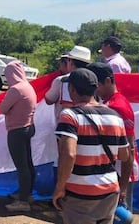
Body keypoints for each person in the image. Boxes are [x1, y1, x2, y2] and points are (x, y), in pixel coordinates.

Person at [52, 68, 129, 224]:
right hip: (109, 192)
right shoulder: (114, 116)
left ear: (71, 89)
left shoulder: (70, 116)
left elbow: (69, 155)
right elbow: (124, 155)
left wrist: (60, 188)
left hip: (80, 194)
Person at [88, 62, 137, 211]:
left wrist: (122, 187)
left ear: (108, 81)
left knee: (119, 214)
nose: (94, 90)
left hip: (120, 171)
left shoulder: (116, 107)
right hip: (117, 170)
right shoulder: (113, 101)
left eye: (97, 85)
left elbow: (129, 149)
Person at [0, 61, 37, 212]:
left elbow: (2, 108)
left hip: (17, 130)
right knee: (27, 163)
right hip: (28, 127)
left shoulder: (16, 89)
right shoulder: (27, 86)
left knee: (22, 167)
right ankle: (26, 194)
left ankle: (23, 201)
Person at [45, 46, 92, 121]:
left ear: (71, 62)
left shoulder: (61, 80)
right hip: (87, 125)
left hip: (65, 124)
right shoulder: (94, 80)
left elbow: (49, 100)